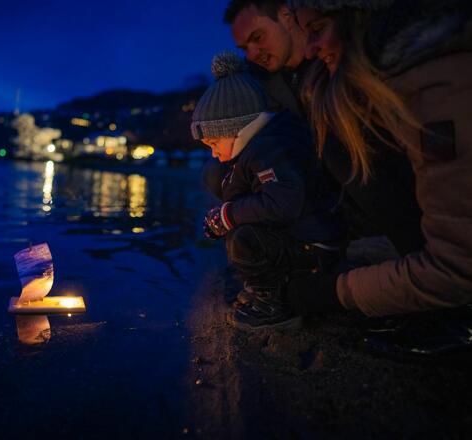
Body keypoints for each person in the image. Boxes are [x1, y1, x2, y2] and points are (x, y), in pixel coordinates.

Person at [287, 0, 472, 322]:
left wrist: (335, 292)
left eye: (317, 29)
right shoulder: (400, 77)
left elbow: (458, 267)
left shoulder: (439, 83)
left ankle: (455, 316)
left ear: (362, 16)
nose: (310, 50)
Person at [211, 0, 426, 259]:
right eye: (245, 48)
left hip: (353, 184)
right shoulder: (261, 87)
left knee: (334, 143)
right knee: (218, 173)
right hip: (307, 184)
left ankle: (411, 248)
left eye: (258, 38)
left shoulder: (336, 61)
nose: (252, 53)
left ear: (286, 15)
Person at [194, 52, 344, 331]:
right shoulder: (260, 145)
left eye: (214, 143)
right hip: (302, 236)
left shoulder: (271, 149)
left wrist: (229, 215)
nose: (213, 152)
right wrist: (223, 216)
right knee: (238, 228)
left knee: (244, 239)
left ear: (237, 130)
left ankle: (273, 305)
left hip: (315, 245)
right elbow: (246, 194)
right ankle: (264, 287)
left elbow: (282, 202)